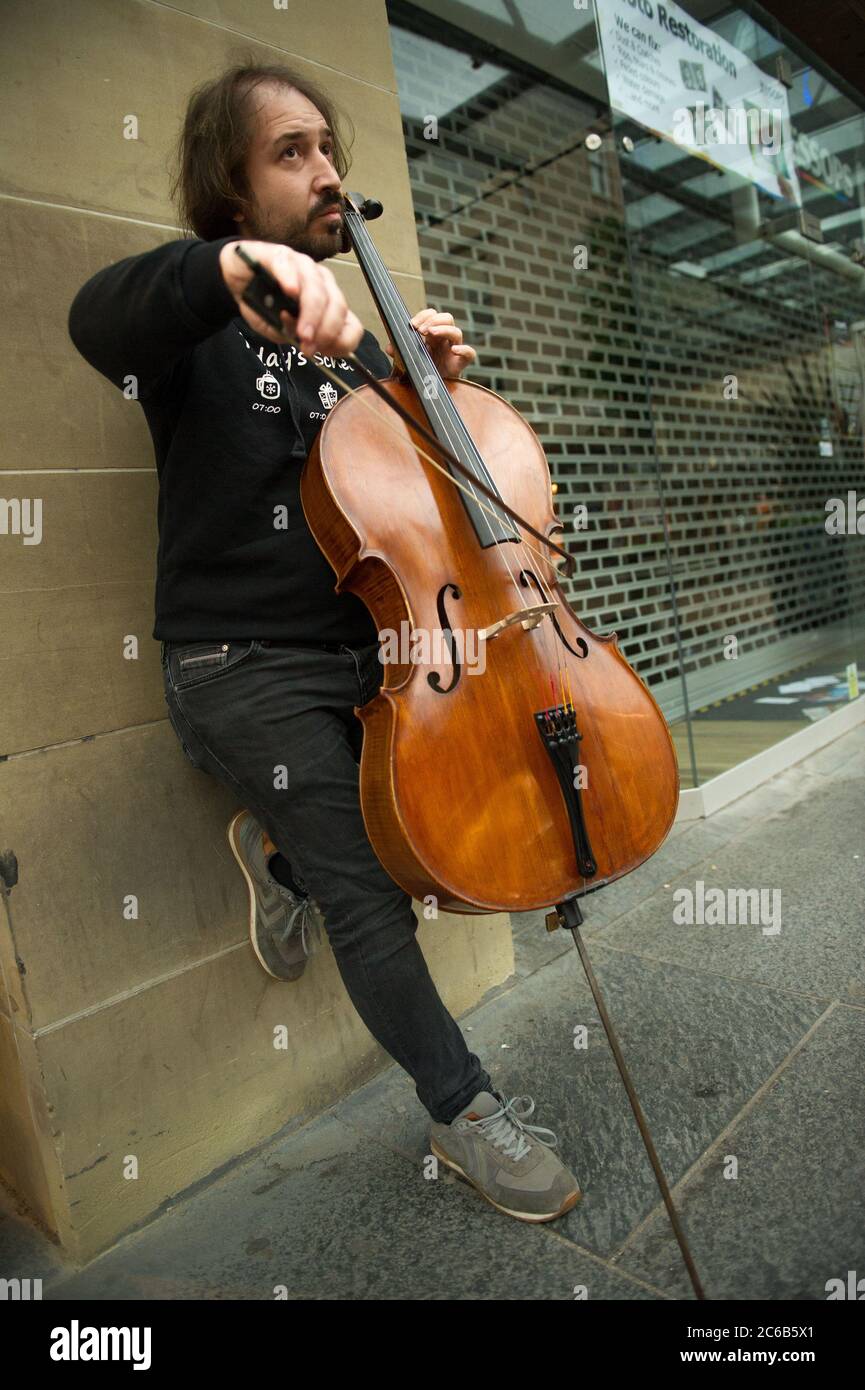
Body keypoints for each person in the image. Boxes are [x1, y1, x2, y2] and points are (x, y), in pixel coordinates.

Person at [67, 60, 581, 1224]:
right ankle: (466, 1114)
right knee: (372, 890)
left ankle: (285, 858)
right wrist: (230, 273)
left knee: (423, 834)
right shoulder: (198, 321)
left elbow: (408, 532)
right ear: (233, 192)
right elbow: (98, 313)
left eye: (328, 149)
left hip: (371, 654)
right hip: (235, 665)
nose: (325, 172)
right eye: (290, 152)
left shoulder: (356, 354)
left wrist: (426, 402)